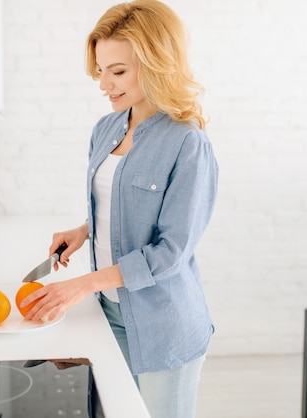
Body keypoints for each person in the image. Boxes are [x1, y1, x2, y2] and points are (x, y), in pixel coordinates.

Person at [20, 1, 218, 416]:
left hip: (164, 324)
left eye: (118, 71)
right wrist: (85, 229)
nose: (104, 84)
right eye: (101, 70)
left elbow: (170, 252)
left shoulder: (187, 143)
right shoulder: (105, 128)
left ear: (157, 62)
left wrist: (84, 283)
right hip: (109, 314)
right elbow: (121, 203)